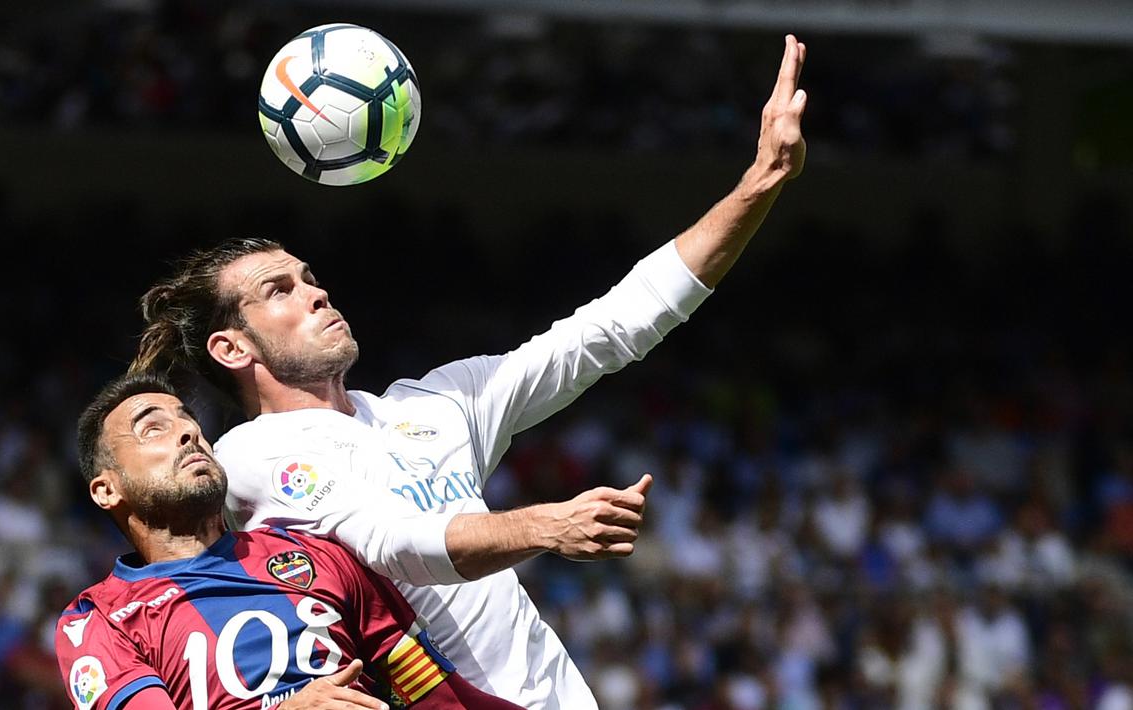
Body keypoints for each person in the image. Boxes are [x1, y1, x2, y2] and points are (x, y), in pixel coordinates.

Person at [130, 35, 809, 709]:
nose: (315, 293)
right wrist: (545, 527)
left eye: (309, 278)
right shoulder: (250, 456)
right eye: (278, 291)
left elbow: (612, 326)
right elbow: (394, 546)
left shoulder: (432, 405)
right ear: (231, 349)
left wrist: (760, 183)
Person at [54, 371, 525, 710]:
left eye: (187, 420)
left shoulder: (316, 554)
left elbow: (434, 695)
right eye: (152, 428)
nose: (187, 433)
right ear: (106, 489)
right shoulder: (97, 621)